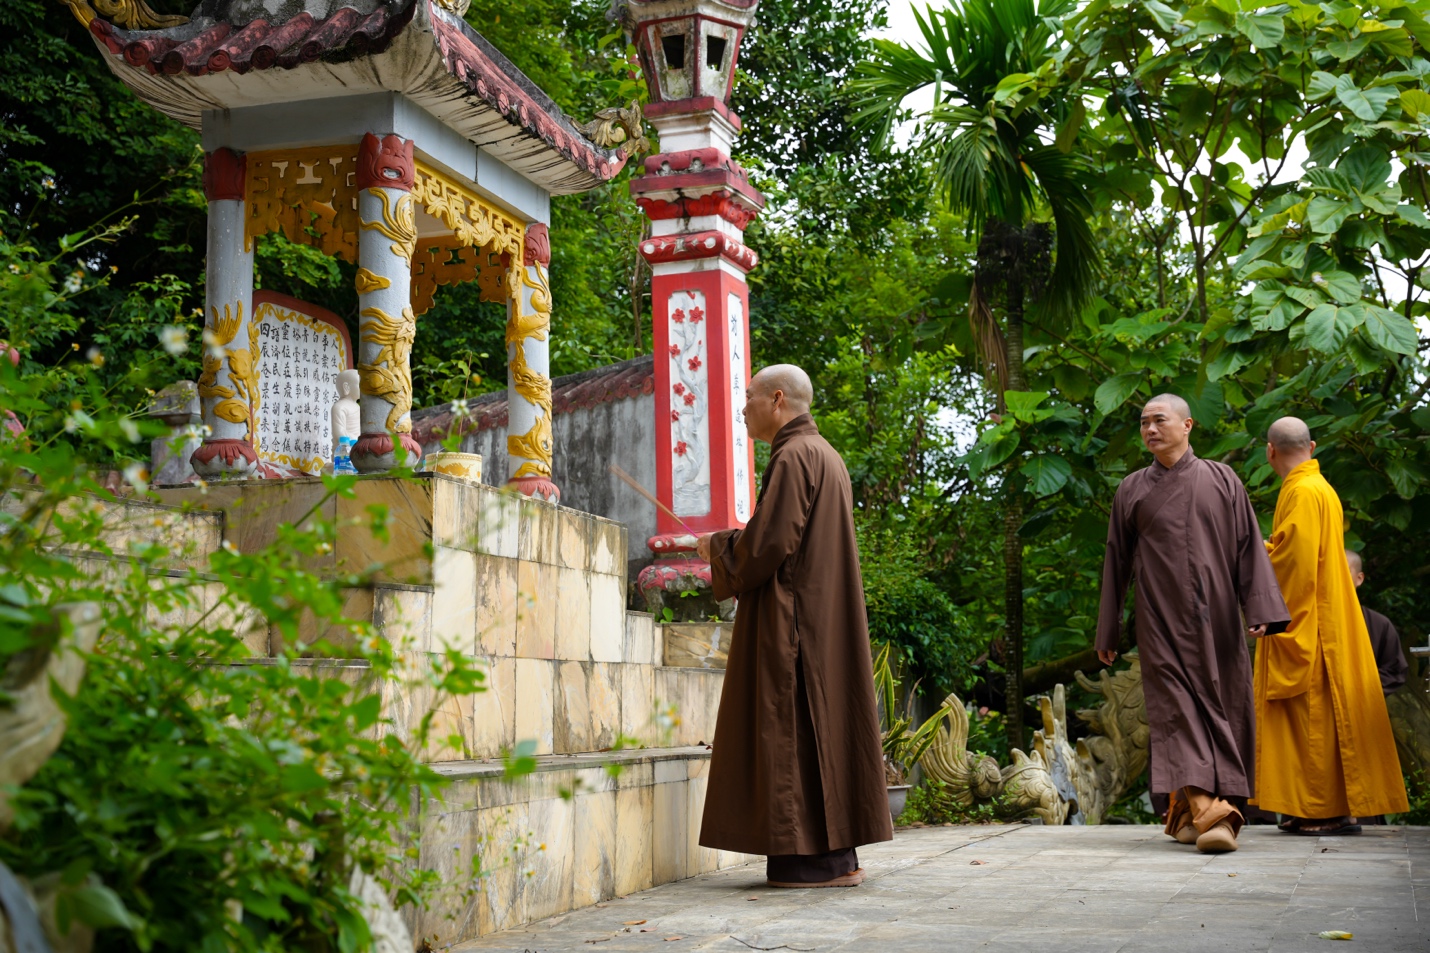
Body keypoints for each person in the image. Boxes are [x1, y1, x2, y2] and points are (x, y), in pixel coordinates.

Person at [694, 364, 892, 887]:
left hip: (794, 618)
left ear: (777, 399)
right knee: (818, 725)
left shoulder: (793, 454)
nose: (743, 409)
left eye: (749, 398)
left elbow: (770, 544)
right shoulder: (825, 455)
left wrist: (718, 546)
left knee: (791, 728)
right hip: (820, 615)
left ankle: (810, 862)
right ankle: (836, 858)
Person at [1096, 395, 1289, 854]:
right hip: (1160, 620)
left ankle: (1185, 814)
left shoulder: (1222, 479)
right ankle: (1213, 813)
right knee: (1177, 712)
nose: (1149, 429)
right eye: (1143, 423)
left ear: (1187, 425)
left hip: (1218, 619)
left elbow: (1248, 547)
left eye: (1158, 420)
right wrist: (1109, 628)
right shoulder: (1132, 489)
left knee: (1224, 708)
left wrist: (1259, 608)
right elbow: (1115, 561)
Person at [1256, 417, 1408, 833]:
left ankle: (1325, 812)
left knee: (1315, 716)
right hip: (1324, 616)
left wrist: (1265, 608)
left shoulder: (1303, 491)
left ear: (1270, 451)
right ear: (1314, 445)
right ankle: (1311, 809)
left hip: (1313, 623)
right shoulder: (1320, 488)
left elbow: (1294, 562)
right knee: (1316, 716)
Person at [1345, 549, 1409, 696]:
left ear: (1359, 579)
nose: (1335, 576)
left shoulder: (1378, 624)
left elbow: (1394, 670)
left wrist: (1357, 692)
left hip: (1358, 709)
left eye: (1343, 570)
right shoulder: (1306, 619)